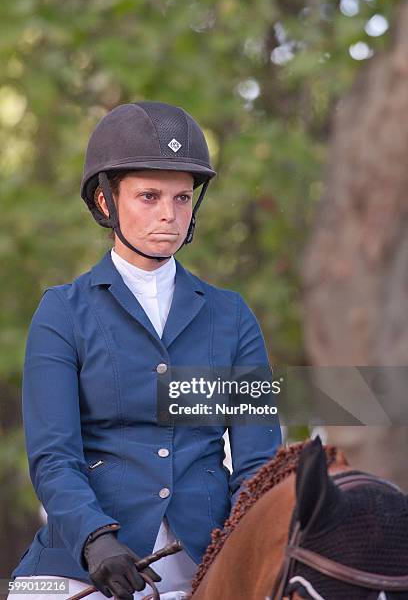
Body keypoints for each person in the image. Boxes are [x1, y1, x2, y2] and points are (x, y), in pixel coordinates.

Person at [10, 101, 282, 599]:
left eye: (181, 199)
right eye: (149, 196)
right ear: (105, 201)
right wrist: (96, 540)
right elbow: (53, 458)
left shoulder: (233, 317)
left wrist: (242, 549)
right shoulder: (62, 313)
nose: (168, 215)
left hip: (207, 558)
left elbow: (258, 463)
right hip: (85, 561)